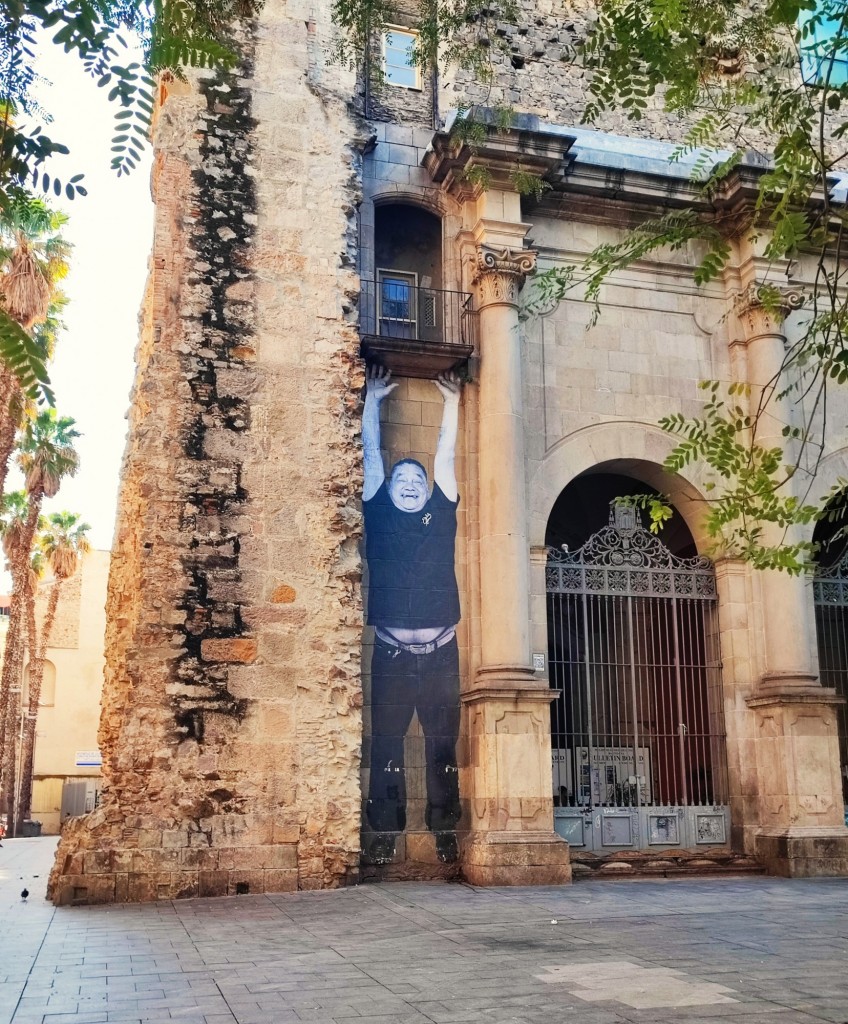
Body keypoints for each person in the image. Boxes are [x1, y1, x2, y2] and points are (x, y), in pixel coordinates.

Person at [362, 364, 462, 864]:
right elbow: (370, 458)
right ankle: (383, 834)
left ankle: (445, 830)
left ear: (427, 490)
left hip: (442, 654)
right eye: (400, 477)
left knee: (443, 747)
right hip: (392, 655)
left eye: (414, 478)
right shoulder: (378, 511)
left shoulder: (440, 512)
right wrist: (372, 400)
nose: (406, 481)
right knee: (386, 748)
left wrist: (453, 402)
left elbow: (444, 455)